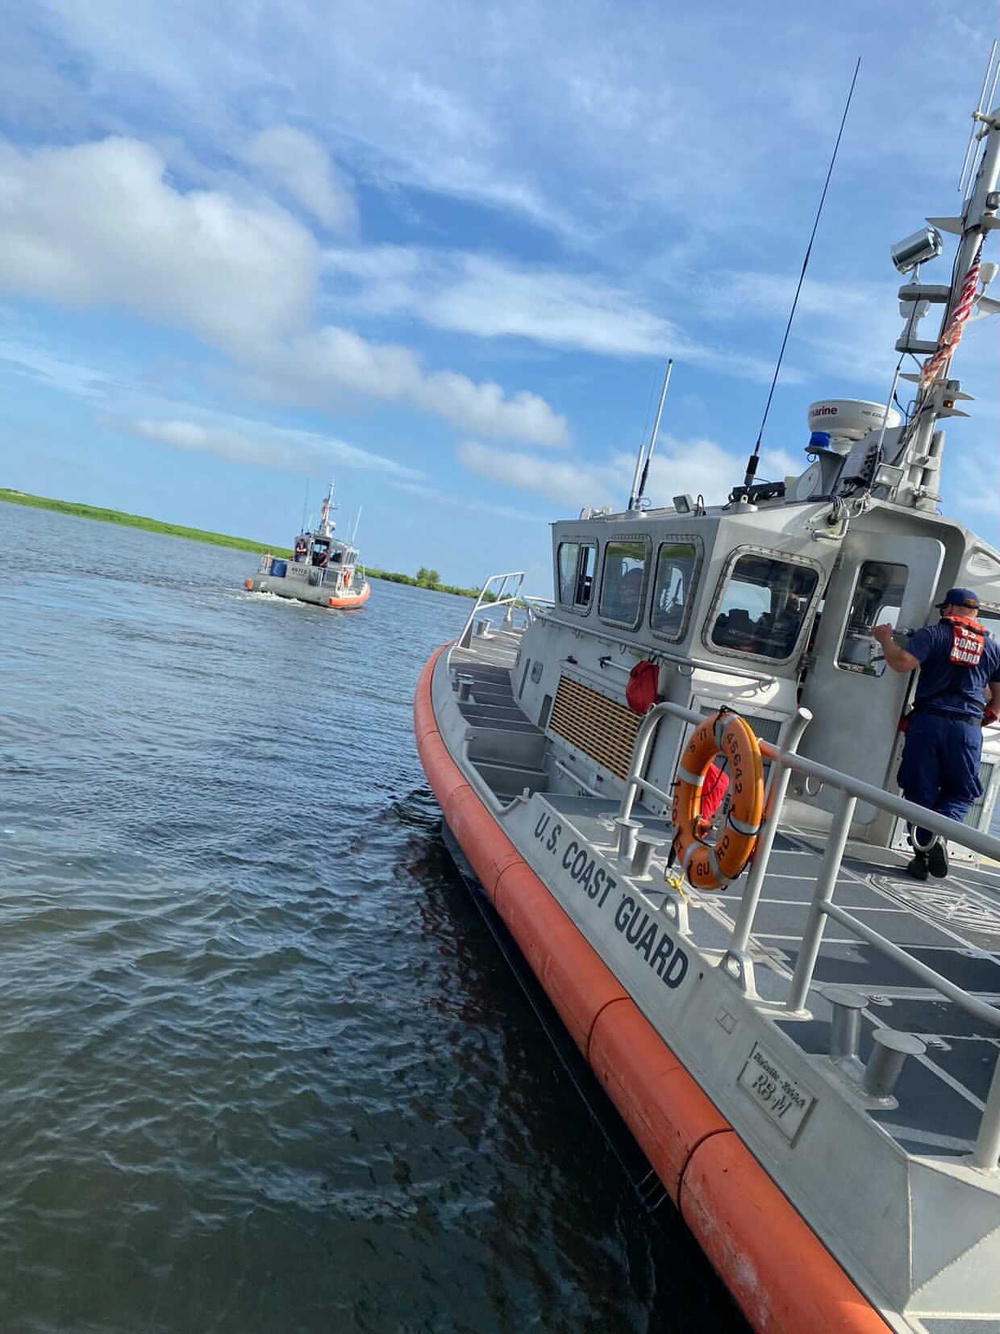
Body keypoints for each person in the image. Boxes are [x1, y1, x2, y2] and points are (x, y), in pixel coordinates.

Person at [873, 588, 1000, 881]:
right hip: (967, 727)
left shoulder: (933, 635)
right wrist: (988, 714)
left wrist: (885, 640)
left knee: (920, 791)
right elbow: (997, 697)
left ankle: (923, 851)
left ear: (950, 609)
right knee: (962, 791)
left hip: (928, 723)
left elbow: (901, 663)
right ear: (975, 613)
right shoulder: (991, 648)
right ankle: (938, 838)